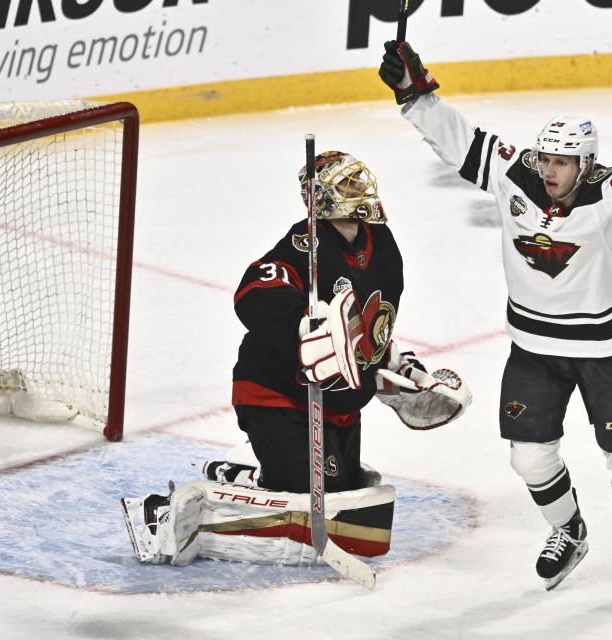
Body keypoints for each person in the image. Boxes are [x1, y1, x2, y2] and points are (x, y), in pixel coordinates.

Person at [380, 42, 612, 606]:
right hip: (534, 348)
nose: (551, 171)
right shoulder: (516, 176)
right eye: (546, 160)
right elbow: (461, 140)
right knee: (528, 456)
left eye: (563, 163)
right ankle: (569, 530)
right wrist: (414, 93)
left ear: (586, 163)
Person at [121, 150, 471, 567]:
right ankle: (163, 513)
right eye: (348, 183)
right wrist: (303, 326)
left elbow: (375, 326)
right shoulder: (304, 244)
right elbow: (251, 292)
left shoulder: (384, 243)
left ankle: (249, 475)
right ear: (322, 198)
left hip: (336, 401)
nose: (362, 188)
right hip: (277, 394)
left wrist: (403, 369)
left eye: (360, 179)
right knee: (310, 514)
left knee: (352, 510)